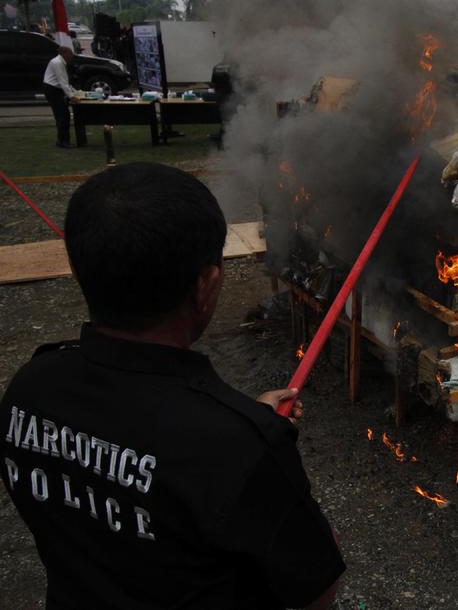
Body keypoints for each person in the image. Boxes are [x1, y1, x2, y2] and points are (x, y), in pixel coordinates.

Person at [1, 163, 345, 609]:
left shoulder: (31, 388)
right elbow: (318, 593)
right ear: (206, 286)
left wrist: (240, 424)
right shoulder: (240, 450)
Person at [42, 46, 77, 148]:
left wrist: (76, 92)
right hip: (53, 90)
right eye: (70, 54)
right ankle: (64, 141)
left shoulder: (59, 61)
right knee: (63, 116)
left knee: (61, 116)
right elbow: (62, 82)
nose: (71, 56)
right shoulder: (58, 63)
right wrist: (72, 97)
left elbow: (65, 82)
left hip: (54, 89)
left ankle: (61, 140)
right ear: (64, 53)